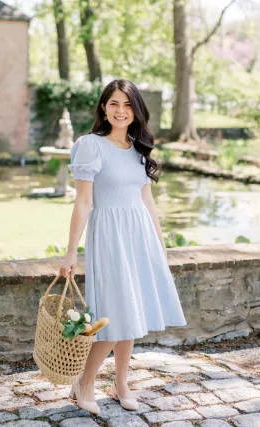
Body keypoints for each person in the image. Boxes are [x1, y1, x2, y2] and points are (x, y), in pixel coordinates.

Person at [59, 79, 187, 415]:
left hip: (139, 236)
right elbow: (83, 202)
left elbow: (147, 201)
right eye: (114, 104)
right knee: (115, 316)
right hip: (109, 236)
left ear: (136, 110)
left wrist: (159, 248)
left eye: (127, 105)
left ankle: (121, 382)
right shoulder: (90, 145)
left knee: (134, 312)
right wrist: (71, 252)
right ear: (104, 107)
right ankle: (84, 382)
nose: (121, 111)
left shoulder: (139, 147)